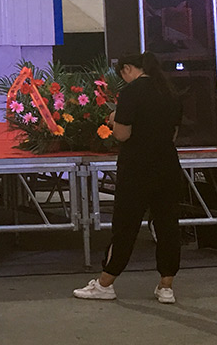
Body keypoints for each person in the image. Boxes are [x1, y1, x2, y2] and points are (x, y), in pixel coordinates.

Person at [74, 52, 183, 304]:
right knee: (168, 226)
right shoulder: (170, 92)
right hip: (167, 165)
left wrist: (114, 119)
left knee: (125, 226)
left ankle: (105, 284)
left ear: (128, 69)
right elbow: (173, 134)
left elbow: (122, 134)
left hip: (136, 168)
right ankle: (166, 287)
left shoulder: (131, 92)